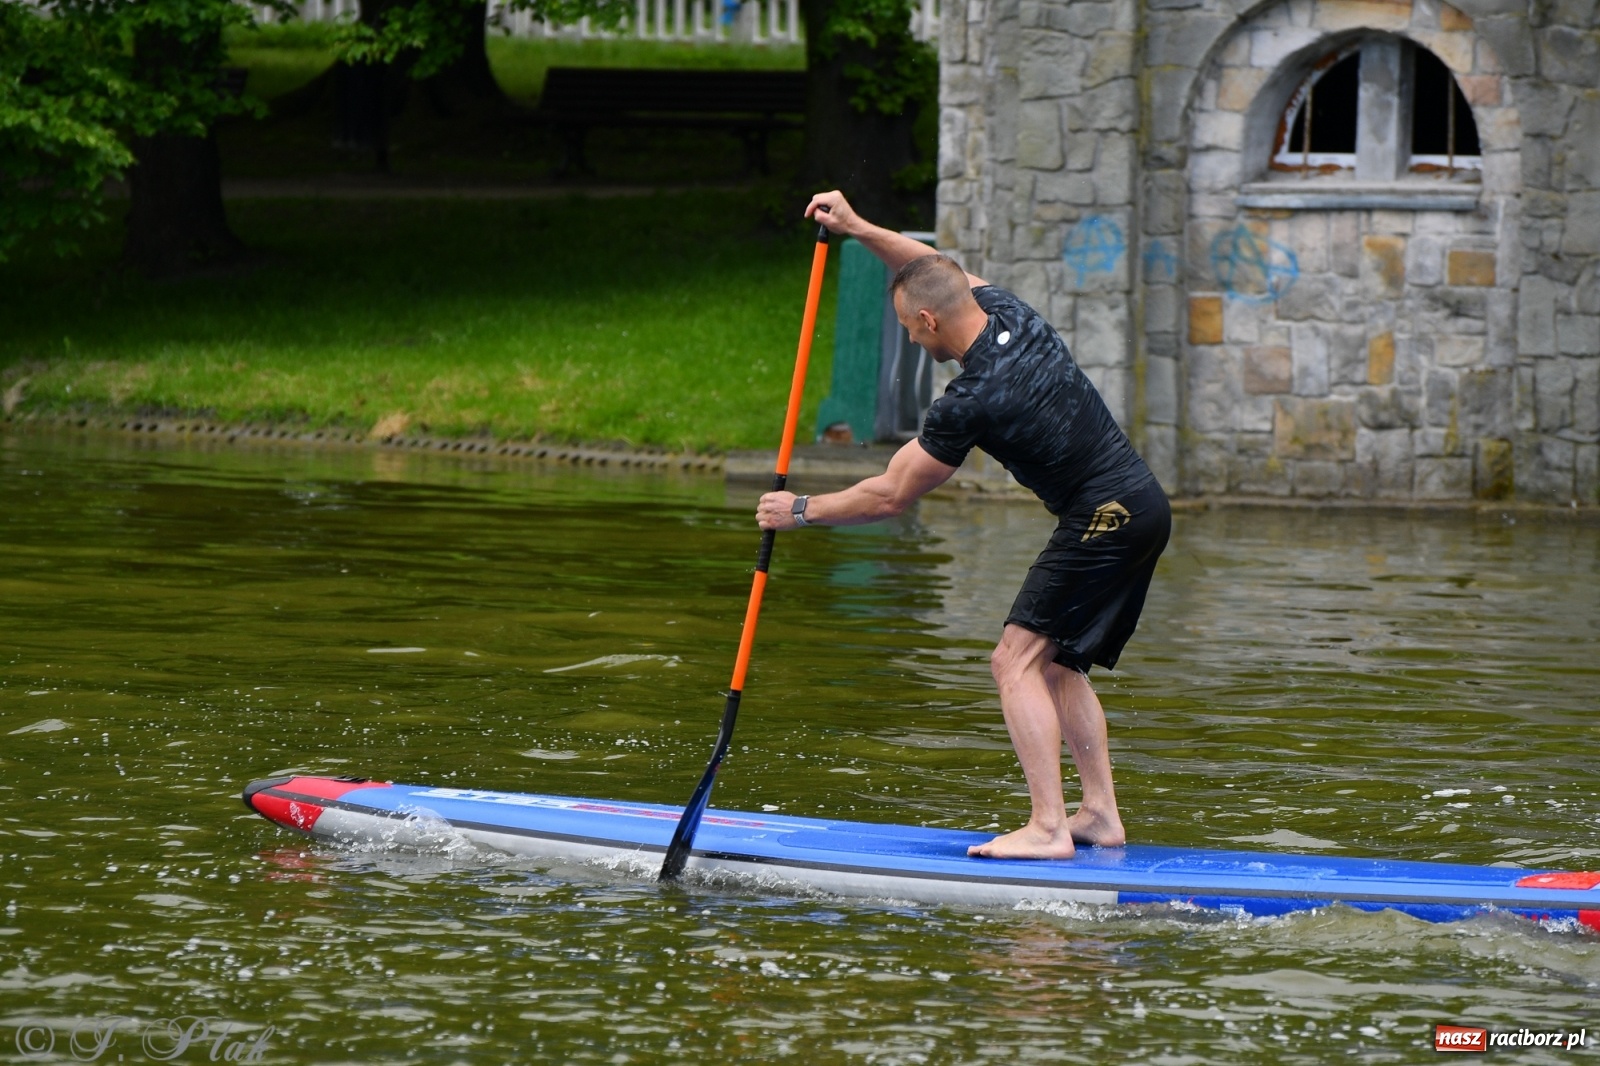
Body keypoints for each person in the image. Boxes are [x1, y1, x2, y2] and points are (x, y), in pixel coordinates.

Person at [757, 190, 1170, 860]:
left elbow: (892, 494)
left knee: (1014, 660)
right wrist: (857, 226)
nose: (912, 341)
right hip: (1142, 507)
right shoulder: (1009, 311)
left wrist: (802, 510)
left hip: (1106, 516)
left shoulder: (971, 402)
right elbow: (931, 264)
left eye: (909, 329)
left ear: (928, 321)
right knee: (1060, 665)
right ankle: (1099, 816)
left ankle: (1047, 828)